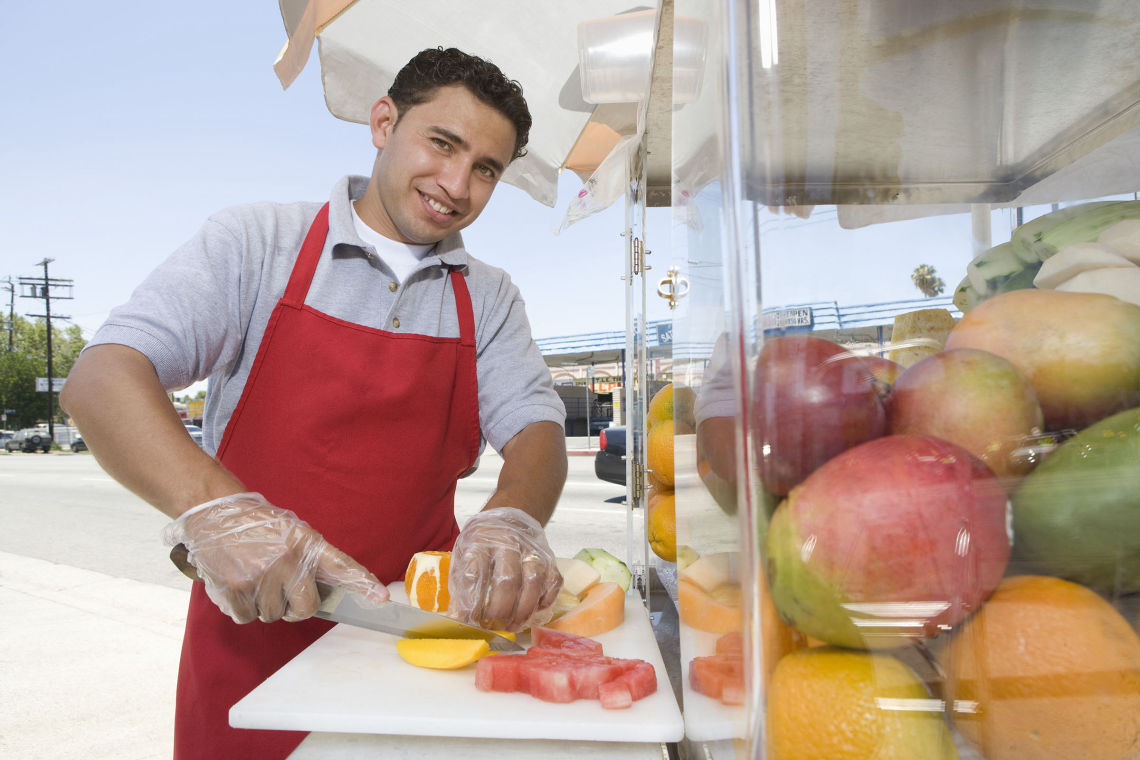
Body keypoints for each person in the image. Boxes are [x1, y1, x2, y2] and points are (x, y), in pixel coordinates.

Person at [60, 47, 567, 759]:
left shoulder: (488, 296)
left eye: (486, 169)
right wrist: (217, 513)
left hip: (420, 647)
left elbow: (537, 428)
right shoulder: (258, 244)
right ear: (384, 122)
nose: (457, 184)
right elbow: (104, 375)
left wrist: (513, 519)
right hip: (251, 641)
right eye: (442, 144)